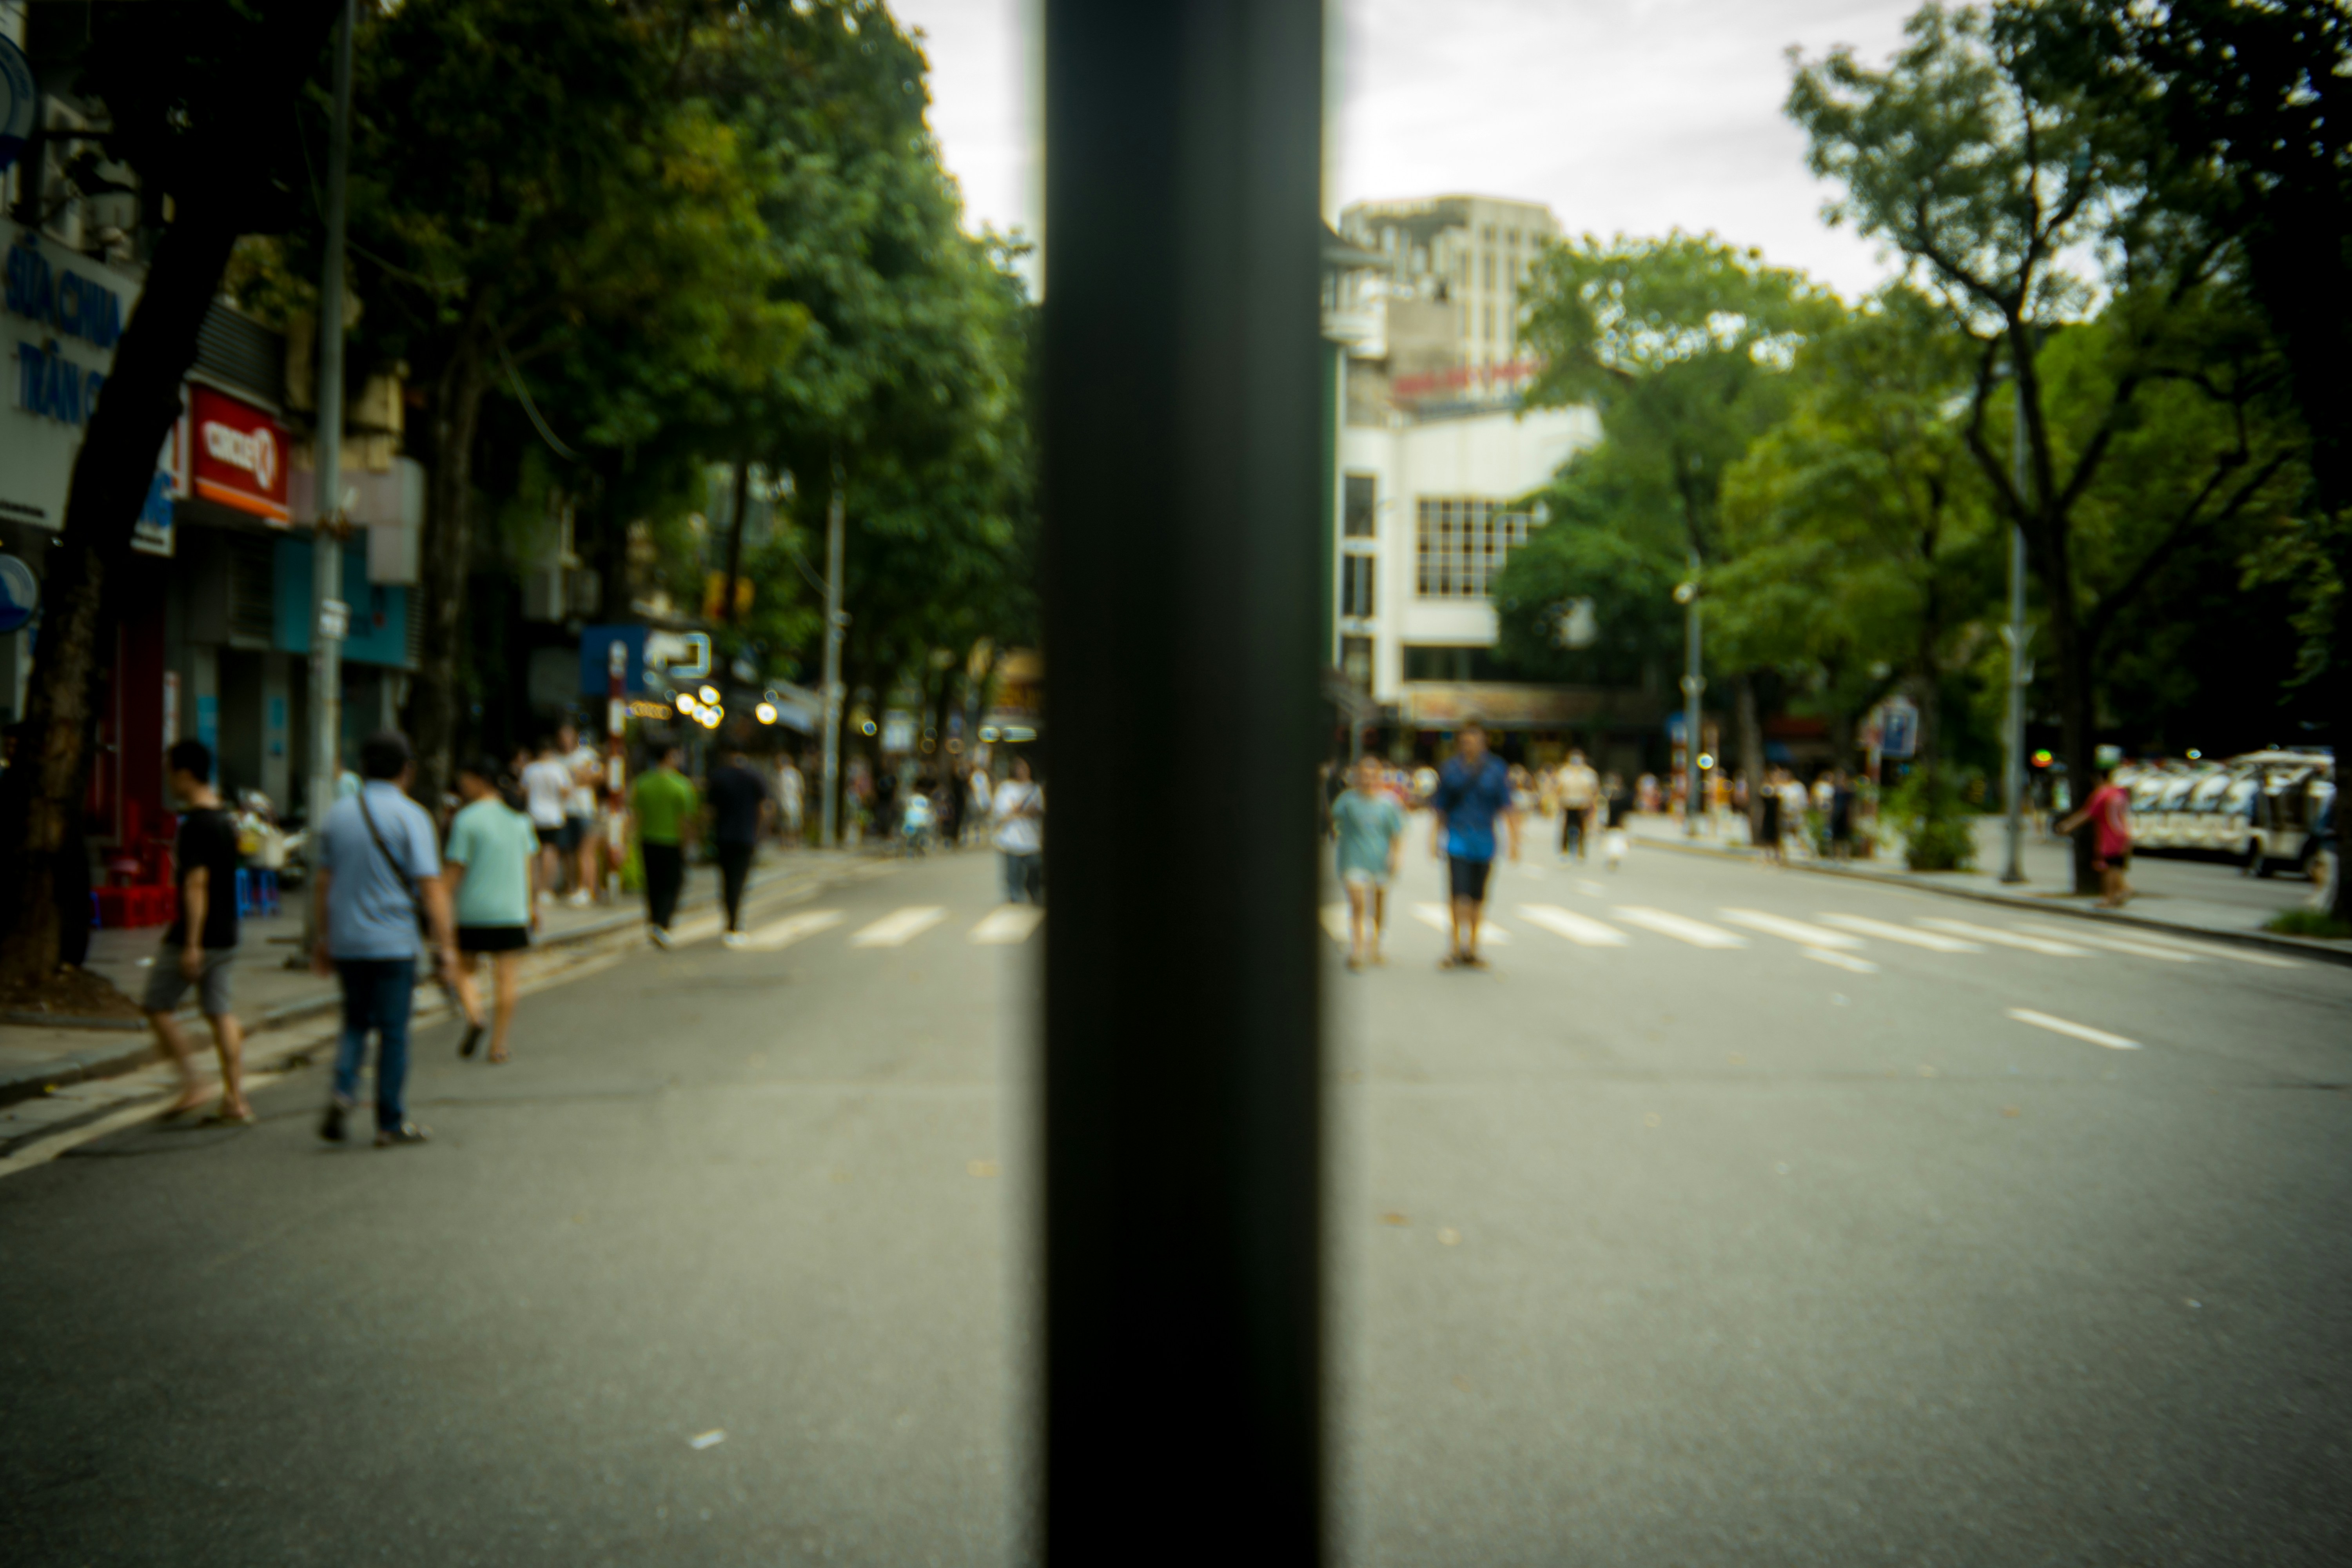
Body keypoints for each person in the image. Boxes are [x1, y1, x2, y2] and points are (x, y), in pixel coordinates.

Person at [310, 729, 452, 1148]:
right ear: (407, 771)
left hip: (349, 941)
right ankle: (389, 1122)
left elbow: (323, 882)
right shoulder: (412, 817)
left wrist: (323, 938)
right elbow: (431, 889)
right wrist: (446, 946)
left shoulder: (338, 815)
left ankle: (343, 1091)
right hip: (394, 944)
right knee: (393, 1032)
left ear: (364, 768)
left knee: (355, 1021)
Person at [142, 740, 251, 1124]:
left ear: (186, 774)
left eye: (170, 772)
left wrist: (191, 944)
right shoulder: (225, 820)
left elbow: (197, 884)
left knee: (156, 1004)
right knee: (221, 1013)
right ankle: (235, 1098)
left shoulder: (196, 826)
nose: (169, 781)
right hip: (227, 933)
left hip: (197, 935)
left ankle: (193, 1082)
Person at [445, 757, 539, 1064]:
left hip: (473, 911)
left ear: (478, 780)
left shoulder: (466, 819)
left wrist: (437, 902)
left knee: (463, 968)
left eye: (464, 779)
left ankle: (475, 1014)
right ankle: (499, 1046)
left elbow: (455, 870)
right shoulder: (520, 819)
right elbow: (529, 868)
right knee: (507, 980)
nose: (461, 785)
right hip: (513, 911)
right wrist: (532, 905)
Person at [1429, 720, 1519, 969]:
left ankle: (1474, 948)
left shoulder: (1496, 769)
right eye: (1465, 740)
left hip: (1485, 840)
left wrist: (1515, 842)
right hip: (1457, 839)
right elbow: (1440, 806)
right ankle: (1456, 947)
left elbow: (1507, 805)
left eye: (1475, 740)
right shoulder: (1450, 769)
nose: (1469, 745)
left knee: (1479, 897)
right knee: (1459, 894)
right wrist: (1433, 838)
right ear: (1460, 743)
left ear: (1484, 742)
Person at [1332, 753, 1406, 970]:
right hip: (1353, 860)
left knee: (1379, 904)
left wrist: (1396, 857)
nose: (1368, 779)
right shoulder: (1347, 801)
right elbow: (1333, 822)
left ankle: (1376, 945)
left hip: (1380, 861)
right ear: (1356, 777)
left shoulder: (1390, 803)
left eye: (1373, 775)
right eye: (1364, 775)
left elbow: (1397, 833)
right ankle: (1357, 949)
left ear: (1380, 777)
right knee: (1358, 904)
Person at [631, 740, 699, 946]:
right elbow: (686, 820)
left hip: (647, 839)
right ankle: (662, 924)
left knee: (652, 884)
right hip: (672, 842)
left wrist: (633, 839)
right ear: (669, 756)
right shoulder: (682, 785)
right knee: (673, 884)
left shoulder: (642, 783)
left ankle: (653, 922)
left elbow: (636, 815)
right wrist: (689, 844)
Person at [705, 747, 771, 947]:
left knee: (726, 880)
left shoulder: (718, 777)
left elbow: (709, 811)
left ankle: (730, 919)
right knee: (739, 881)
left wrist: (707, 833)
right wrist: (759, 832)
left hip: (723, 837)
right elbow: (764, 808)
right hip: (745, 837)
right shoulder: (754, 777)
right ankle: (734, 923)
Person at [2059, 762, 2134, 908]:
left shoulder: (2102, 795)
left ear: (2098, 778)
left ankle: (2110, 898)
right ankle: (2123, 891)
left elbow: (2087, 814)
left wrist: (2067, 826)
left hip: (2110, 834)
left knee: (2109, 867)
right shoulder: (2119, 793)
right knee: (2116, 866)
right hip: (2123, 832)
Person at [519, 737, 570, 902]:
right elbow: (565, 791)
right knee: (550, 852)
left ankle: (533, 888)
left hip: (534, 815)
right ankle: (546, 889)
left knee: (534, 853)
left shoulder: (530, 769)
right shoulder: (559, 769)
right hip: (553, 816)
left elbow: (524, 792)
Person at [559, 722, 603, 905]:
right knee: (569, 852)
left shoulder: (587, 755)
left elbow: (597, 776)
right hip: (566, 811)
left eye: (568, 736)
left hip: (585, 810)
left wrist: (578, 778)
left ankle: (589, 888)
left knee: (586, 851)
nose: (565, 741)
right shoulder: (559, 759)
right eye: (562, 738)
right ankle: (573, 887)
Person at [993, 755, 1044, 904]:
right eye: (1019, 769)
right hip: (1011, 837)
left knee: (1035, 864)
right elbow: (1000, 814)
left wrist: (1029, 812)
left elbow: (1040, 810)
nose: (1022, 771)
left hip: (1031, 837)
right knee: (1013, 871)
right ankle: (1014, 893)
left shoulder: (1035, 789)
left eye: (1025, 768)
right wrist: (1020, 813)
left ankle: (1033, 888)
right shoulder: (1006, 788)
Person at [1555, 748, 1599, 861]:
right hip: (1568, 803)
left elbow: (1593, 790)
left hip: (1583, 804)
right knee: (1566, 827)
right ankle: (1564, 851)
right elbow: (1559, 788)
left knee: (1583, 828)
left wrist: (1592, 805)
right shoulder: (1564, 772)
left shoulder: (1589, 774)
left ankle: (1581, 852)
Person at [1601, 771, 1633, 870]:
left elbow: (1627, 811)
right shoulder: (1606, 794)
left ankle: (1614, 861)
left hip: (1619, 824)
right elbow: (1602, 810)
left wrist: (1625, 823)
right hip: (1610, 823)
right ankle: (1612, 860)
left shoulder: (1625, 794)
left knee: (1617, 843)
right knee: (1611, 843)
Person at [1827, 768, 1858, 864]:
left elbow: (1853, 806)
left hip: (1846, 816)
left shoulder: (1849, 792)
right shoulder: (1836, 791)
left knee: (1846, 837)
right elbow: (1832, 804)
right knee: (1836, 837)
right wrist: (1830, 816)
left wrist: (1853, 818)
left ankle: (1845, 856)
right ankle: (1836, 856)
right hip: (1837, 815)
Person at [1756, 767, 1785, 866]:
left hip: (1777, 815)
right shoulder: (1767, 788)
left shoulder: (1781, 788)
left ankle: (1778, 858)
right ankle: (1767, 857)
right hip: (1769, 815)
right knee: (1768, 837)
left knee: (1776, 838)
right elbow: (1763, 797)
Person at [776, 753, 806, 847]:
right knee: (794, 824)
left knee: (785, 823)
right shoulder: (796, 774)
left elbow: (779, 790)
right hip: (794, 802)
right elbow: (801, 789)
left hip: (786, 802)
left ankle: (786, 843)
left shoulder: (781, 774)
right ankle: (794, 843)